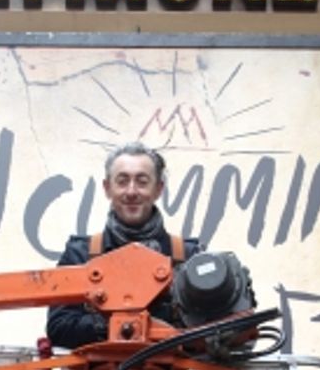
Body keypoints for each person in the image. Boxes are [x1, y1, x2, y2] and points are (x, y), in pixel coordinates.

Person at [46, 141, 203, 348]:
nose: (131, 191)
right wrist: (119, 326)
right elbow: (58, 327)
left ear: (159, 189)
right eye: (122, 181)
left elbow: (210, 328)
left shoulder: (189, 256)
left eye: (142, 182)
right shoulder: (80, 254)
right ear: (107, 188)